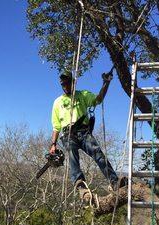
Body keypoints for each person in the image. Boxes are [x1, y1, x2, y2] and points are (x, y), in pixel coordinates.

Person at [50, 70, 126, 202]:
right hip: (68, 134)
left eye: (68, 83)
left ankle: (114, 182)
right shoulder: (57, 102)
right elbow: (56, 127)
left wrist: (106, 83)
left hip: (83, 131)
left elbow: (98, 99)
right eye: (63, 84)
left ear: (73, 83)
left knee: (98, 154)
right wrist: (53, 144)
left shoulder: (83, 95)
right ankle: (80, 185)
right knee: (73, 155)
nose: (66, 86)